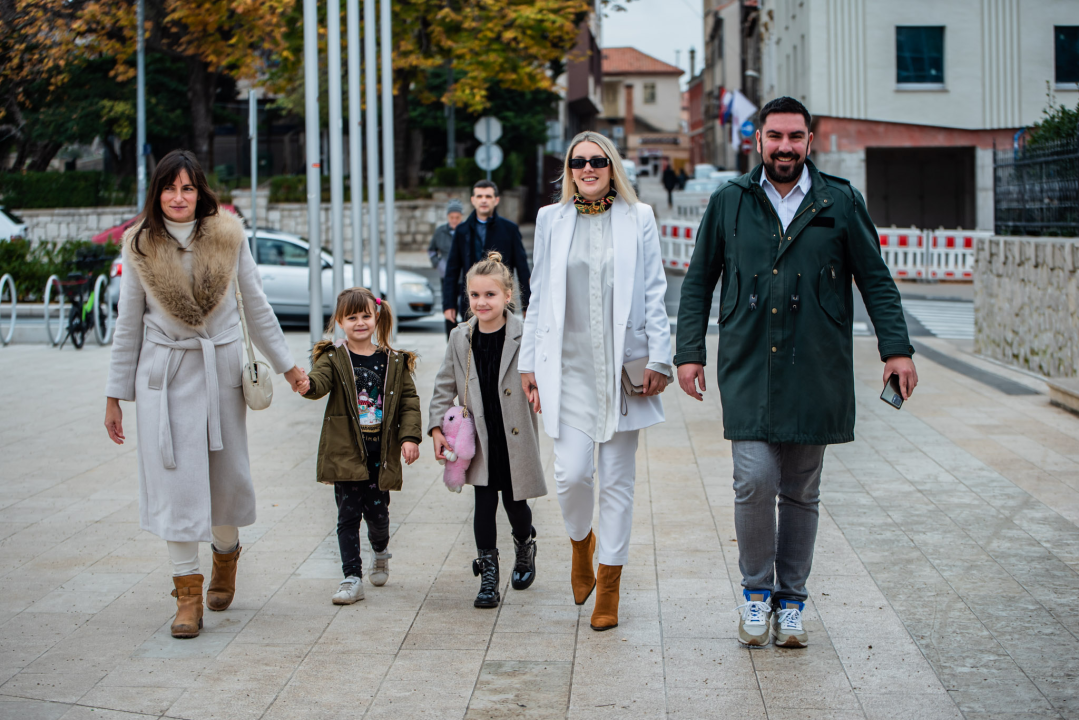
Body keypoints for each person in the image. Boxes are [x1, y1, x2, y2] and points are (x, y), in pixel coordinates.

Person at [674, 97, 918, 649]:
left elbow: (875, 280)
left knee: (802, 490)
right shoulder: (729, 201)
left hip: (816, 366)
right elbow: (697, 281)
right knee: (755, 479)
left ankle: (792, 602)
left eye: (796, 137)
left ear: (811, 140)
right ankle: (756, 594)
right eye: (776, 136)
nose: (785, 146)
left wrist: (896, 349)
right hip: (747, 363)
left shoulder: (840, 200)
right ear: (757, 139)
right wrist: (689, 351)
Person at [104, 149, 309, 639]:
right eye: (170, 188)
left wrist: (289, 368)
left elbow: (257, 310)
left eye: (188, 188)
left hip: (220, 373)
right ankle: (187, 595)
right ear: (157, 194)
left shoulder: (229, 237)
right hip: (164, 379)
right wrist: (114, 395)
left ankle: (226, 557)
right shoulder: (138, 245)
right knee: (177, 485)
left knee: (224, 483)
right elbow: (127, 325)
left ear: (201, 192)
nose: (179, 197)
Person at [519, 131, 673, 631]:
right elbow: (537, 294)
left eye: (598, 161)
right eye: (578, 162)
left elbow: (654, 291)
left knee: (618, 483)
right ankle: (579, 543)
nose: (588, 169)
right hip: (567, 369)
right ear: (568, 169)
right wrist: (527, 364)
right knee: (571, 475)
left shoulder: (639, 218)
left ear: (613, 168)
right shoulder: (550, 219)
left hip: (621, 371)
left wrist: (661, 359)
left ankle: (610, 582)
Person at [429, 252, 547, 608]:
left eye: (490, 295)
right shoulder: (460, 338)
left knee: (515, 505)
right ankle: (489, 575)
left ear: (508, 296)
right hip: (479, 438)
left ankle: (525, 545)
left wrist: (542, 390)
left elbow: (544, 375)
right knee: (483, 504)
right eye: (475, 296)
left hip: (515, 436)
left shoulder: (525, 334)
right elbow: (443, 386)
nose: (482, 302)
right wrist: (435, 428)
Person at [303, 288, 422, 604]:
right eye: (351, 317)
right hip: (345, 452)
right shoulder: (333, 358)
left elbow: (409, 401)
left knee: (378, 514)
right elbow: (319, 383)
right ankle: (351, 577)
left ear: (376, 317)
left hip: (380, 453)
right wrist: (306, 384)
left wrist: (410, 438)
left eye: (365, 315)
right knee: (347, 515)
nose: (359, 322)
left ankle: (381, 550)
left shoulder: (393, 361)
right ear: (340, 321)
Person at [442, 180, 531, 324]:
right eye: (479, 196)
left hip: (501, 303)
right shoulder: (462, 230)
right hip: (471, 303)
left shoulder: (510, 229)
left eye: (488, 196)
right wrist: (449, 304)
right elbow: (452, 271)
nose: (483, 200)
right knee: (471, 343)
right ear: (473, 200)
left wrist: (527, 305)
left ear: (496, 200)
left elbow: (523, 270)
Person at [428, 199, 465, 338]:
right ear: (448, 217)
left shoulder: (466, 231)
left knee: (466, 309)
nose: (454, 220)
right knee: (449, 309)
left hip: (465, 276)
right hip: (448, 277)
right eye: (452, 217)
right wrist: (439, 265)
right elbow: (432, 250)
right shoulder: (440, 232)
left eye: (457, 217)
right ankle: (451, 341)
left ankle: (466, 340)